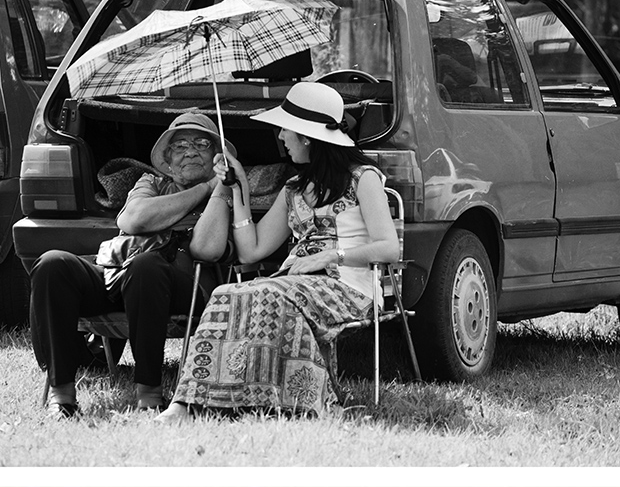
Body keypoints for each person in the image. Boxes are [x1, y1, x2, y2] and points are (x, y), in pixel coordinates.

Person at [156, 82, 399, 423]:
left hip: (350, 286)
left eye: (286, 130)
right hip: (294, 283)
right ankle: (188, 403)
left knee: (272, 292)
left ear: (307, 137)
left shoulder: (363, 179)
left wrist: (329, 256)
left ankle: (306, 400)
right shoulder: (294, 190)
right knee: (227, 293)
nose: (281, 138)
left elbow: (390, 247)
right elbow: (252, 250)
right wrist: (237, 186)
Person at [30, 113, 237, 418]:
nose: (190, 151)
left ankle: (149, 394)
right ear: (167, 159)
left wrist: (215, 188)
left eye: (202, 144)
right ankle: (62, 397)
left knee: (147, 266)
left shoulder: (227, 190)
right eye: (179, 146)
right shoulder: (151, 181)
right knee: (53, 264)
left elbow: (206, 248)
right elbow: (133, 219)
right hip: (120, 271)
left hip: (183, 284)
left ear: (217, 154)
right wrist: (200, 191)